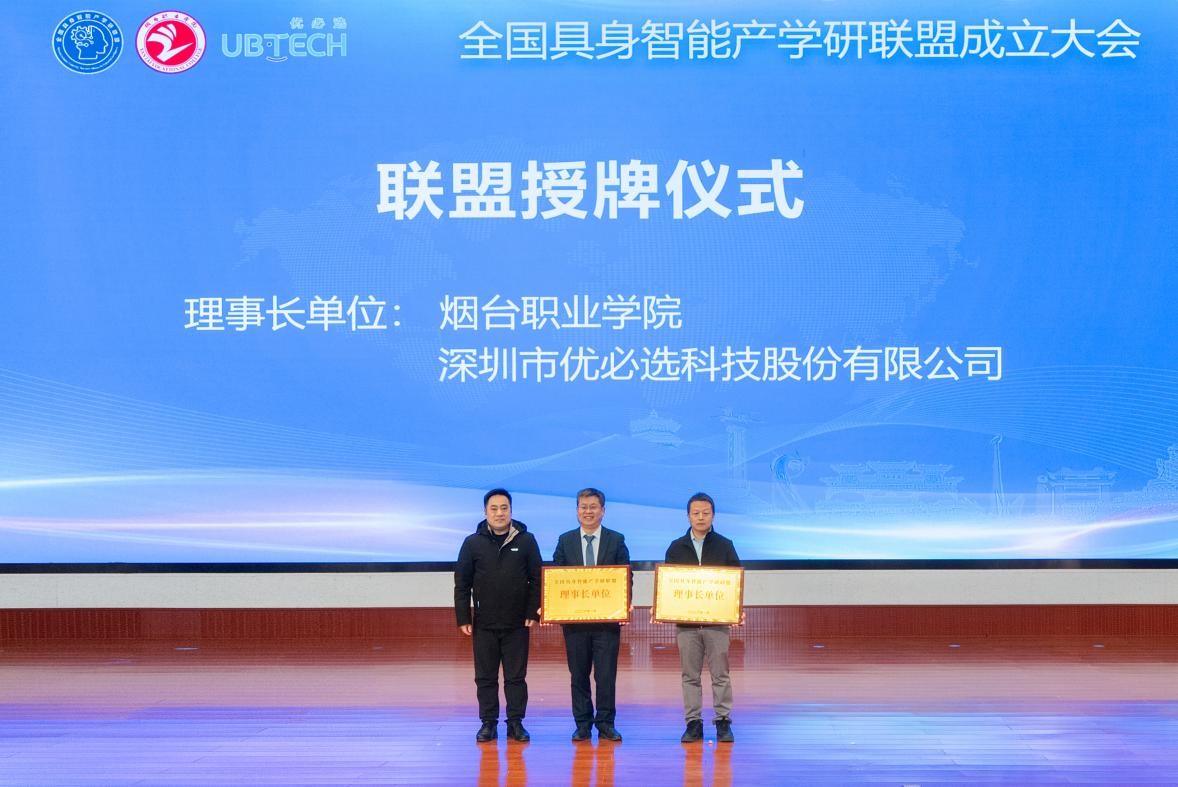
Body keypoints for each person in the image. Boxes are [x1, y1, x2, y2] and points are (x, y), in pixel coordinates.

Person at [455, 488, 542, 743]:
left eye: (504, 508)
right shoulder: (472, 543)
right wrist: (463, 617)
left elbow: (537, 580)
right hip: (484, 623)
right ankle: (488, 723)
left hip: (517, 623)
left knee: (516, 677)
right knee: (485, 677)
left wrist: (532, 612)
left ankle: (515, 723)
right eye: (494, 508)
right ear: (485, 512)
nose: (499, 513)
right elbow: (462, 583)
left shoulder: (527, 541)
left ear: (511, 511)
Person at [552, 488, 631, 742]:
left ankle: (606, 723)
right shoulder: (565, 541)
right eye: (583, 507)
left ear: (603, 511)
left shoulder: (616, 540)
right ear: (577, 511)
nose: (588, 512)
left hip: (607, 622)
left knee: (605, 676)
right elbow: (556, 578)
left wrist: (625, 603)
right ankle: (583, 724)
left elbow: (626, 576)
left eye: (593, 507)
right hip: (574, 623)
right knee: (578, 675)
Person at [664, 492, 742, 744]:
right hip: (687, 625)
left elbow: (735, 582)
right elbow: (669, 585)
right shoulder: (676, 547)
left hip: (717, 623)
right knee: (690, 676)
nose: (700, 517)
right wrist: (662, 607)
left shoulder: (725, 545)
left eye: (705, 513)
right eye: (696, 513)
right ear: (688, 516)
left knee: (721, 675)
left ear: (713, 516)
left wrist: (736, 609)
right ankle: (693, 723)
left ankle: (723, 722)